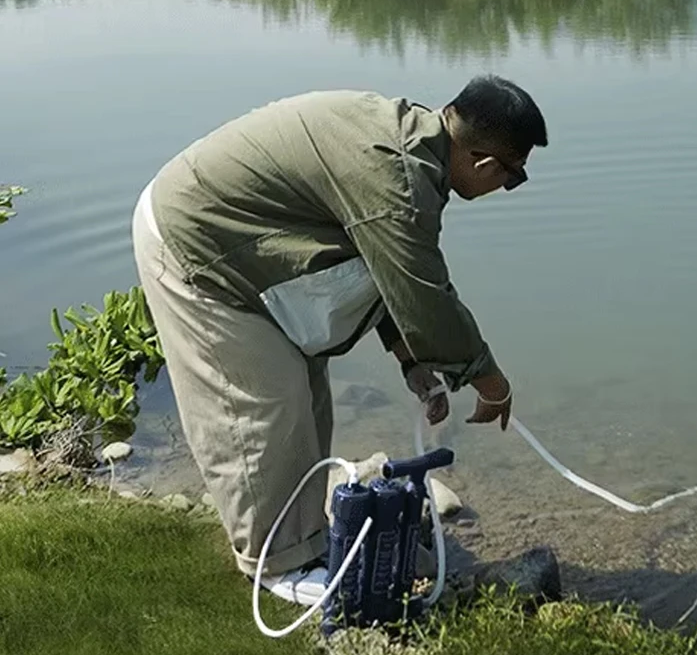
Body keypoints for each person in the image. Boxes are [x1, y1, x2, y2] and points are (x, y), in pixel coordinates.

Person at [131, 76, 547, 603]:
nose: (504, 188)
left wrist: (411, 361)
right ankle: (276, 567)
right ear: (486, 164)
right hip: (198, 245)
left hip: (244, 241)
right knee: (258, 411)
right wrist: (489, 379)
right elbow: (421, 292)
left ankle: (306, 543)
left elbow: (387, 270)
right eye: (513, 178)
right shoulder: (399, 180)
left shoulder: (416, 149)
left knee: (306, 407)